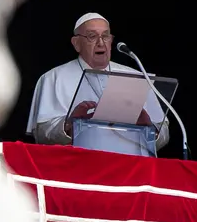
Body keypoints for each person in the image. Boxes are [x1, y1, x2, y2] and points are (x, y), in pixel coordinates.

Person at [26, 12, 170, 155]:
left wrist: (150, 128)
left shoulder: (137, 77)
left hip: (130, 166)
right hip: (78, 166)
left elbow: (163, 131)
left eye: (105, 36)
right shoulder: (54, 78)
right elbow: (42, 135)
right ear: (76, 43)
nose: (101, 43)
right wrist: (70, 125)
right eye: (92, 36)